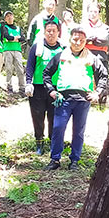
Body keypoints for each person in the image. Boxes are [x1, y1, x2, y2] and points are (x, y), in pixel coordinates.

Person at [42, 25, 108, 170]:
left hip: (83, 100)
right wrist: (51, 91)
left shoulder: (92, 57)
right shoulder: (61, 56)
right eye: (75, 39)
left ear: (85, 41)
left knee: (78, 131)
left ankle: (74, 161)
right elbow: (46, 73)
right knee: (58, 129)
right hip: (63, 99)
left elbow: (103, 75)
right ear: (70, 38)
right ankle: (55, 159)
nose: (78, 43)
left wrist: (98, 92)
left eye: (82, 40)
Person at [24, 18, 64, 155]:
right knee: (38, 115)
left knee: (54, 116)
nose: (51, 34)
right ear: (44, 32)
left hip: (56, 88)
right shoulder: (37, 47)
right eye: (48, 31)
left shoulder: (63, 48)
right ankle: (39, 143)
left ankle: (53, 142)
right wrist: (28, 82)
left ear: (58, 32)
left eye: (54, 31)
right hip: (38, 87)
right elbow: (30, 66)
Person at [0, 10, 25, 94]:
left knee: (20, 69)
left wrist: (13, 39)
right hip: (7, 50)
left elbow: (23, 38)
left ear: (13, 17)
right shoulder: (4, 27)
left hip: (17, 50)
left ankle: (22, 87)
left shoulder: (18, 28)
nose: (9, 17)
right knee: (9, 69)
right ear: (5, 18)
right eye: (7, 16)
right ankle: (9, 86)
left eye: (11, 15)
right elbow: (6, 36)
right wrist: (16, 38)